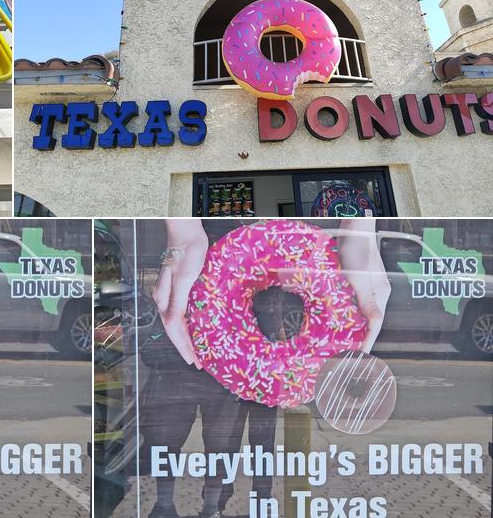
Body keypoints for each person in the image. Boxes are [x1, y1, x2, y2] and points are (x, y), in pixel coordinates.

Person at [143, 218, 390, 518]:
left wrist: (360, 229)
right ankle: (187, 504)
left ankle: (243, 503)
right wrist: (181, 234)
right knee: (191, 431)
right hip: (207, 325)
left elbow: (355, 213)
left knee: (237, 437)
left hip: (255, 352)